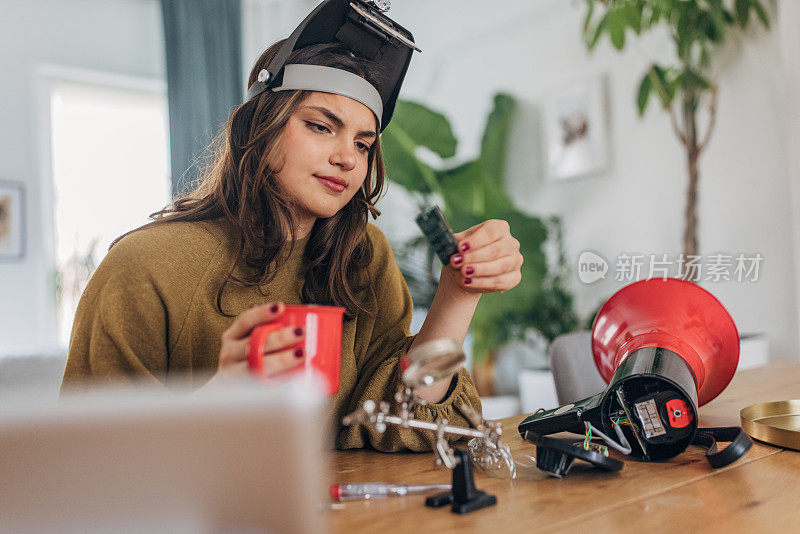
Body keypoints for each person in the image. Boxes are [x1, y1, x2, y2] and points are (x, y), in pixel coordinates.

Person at [61, 3, 523, 452]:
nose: (347, 157)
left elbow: (405, 419)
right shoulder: (145, 268)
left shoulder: (364, 258)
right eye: (322, 127)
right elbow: (88, 461)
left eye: (363, 145)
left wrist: (457, 295)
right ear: (260, 129)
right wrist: (218, 400)